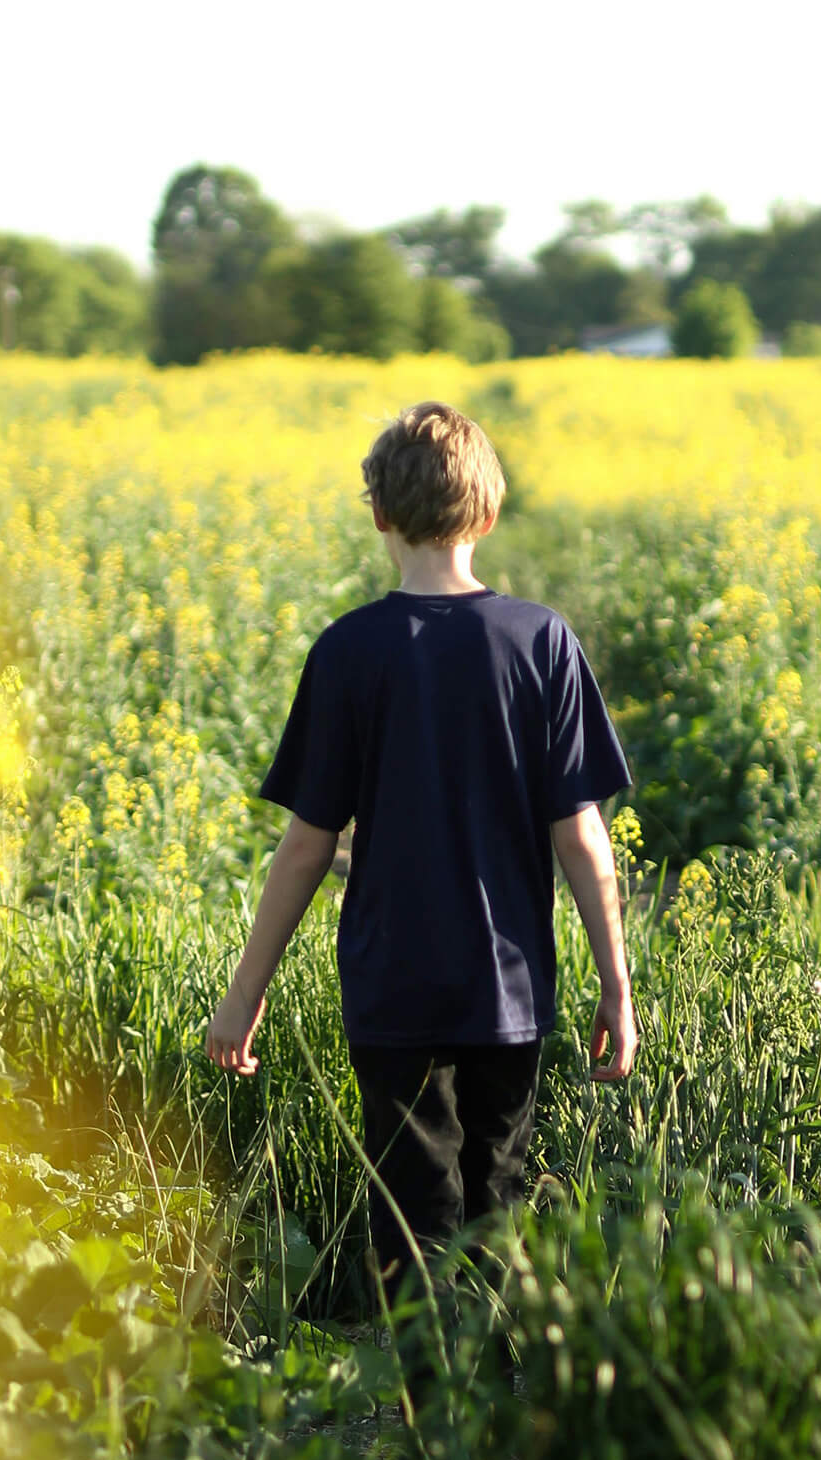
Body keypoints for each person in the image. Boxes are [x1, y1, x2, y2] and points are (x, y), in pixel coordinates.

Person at [203, 400, 637, 1399]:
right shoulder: (540, 642)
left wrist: (244, 993)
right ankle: (494, 1414)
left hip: (391, 987)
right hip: (509, 988)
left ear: (378, 516)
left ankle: (427, 1420)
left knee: (411, 1212)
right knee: (497, 1201)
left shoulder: (349, 650)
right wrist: (616, 986)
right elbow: (582, 837)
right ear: (488, 512)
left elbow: (306, 846)